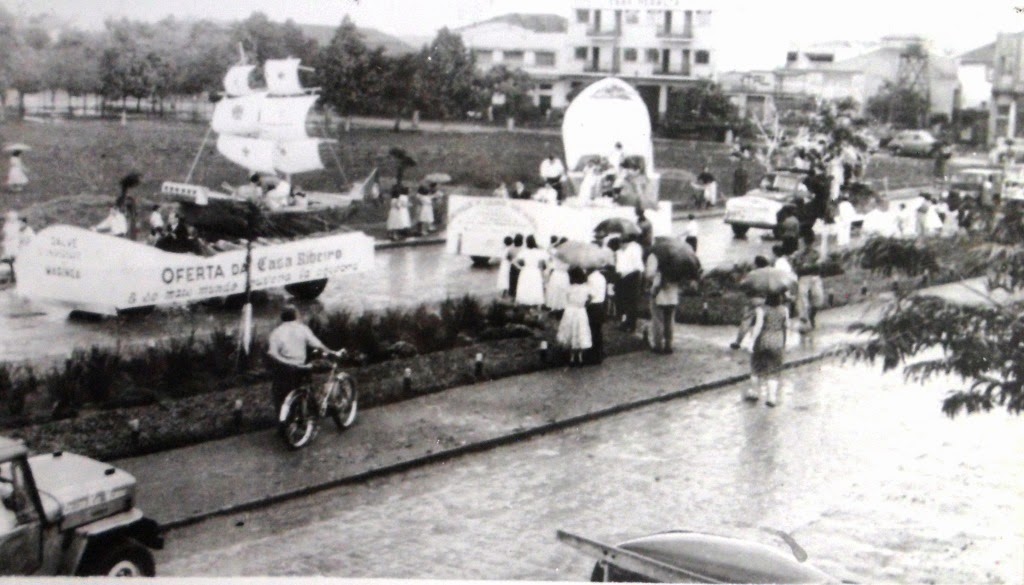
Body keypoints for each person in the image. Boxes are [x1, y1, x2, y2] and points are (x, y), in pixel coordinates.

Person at [267, 306, 338, 413]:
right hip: (300, 367)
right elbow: (317, 344)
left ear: (282, 318)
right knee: (306, 388)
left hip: (283, 369)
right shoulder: (302, 328)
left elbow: (272, 353)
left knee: (280, 397)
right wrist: (331, 352)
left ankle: (283, 423)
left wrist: (284, 362)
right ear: (296, 316)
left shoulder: (276, 332)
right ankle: (313, 410)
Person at [746, 291, 789, 406]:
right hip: (777, 341)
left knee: (756, 367)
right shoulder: (784, 310)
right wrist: (784, 342)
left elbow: (758, 326)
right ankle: (771, 397)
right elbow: (786, 327)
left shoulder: (761, 310)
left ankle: (754, 392)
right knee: (773, 370)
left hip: (762, 340)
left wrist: (752, 341)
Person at [644, 252, 681, 354]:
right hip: (673, 294)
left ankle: (658, 345)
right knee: (670, 320)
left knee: (657, 320)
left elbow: (650, 274)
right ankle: (668, 345)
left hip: (659, 293)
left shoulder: (655, 255)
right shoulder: (677, 258)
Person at [556, 266, 593, 366]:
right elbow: (590, 298)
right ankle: (580, 357)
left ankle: (572, 358)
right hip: (580, 311)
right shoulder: (586, 288)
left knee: (571, 331)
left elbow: (566, 299)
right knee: (580, 331)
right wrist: (585, 304)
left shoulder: (569, 288)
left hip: (570, 311)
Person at [613, 233, 644, 333]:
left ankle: (632, 325)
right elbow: (618, 265)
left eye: (623, 242)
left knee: (632, 301)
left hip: (633, 276)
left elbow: (637, 265)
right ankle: (624, 322)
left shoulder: (635, 248)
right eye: (620, 242)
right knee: (621, 301)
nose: (622, 244)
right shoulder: (618, 252)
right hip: (621, 277)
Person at [584, 266, 608, 365]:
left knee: (592, 331)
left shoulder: (591, 279)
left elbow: (590, 295)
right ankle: (599, 352)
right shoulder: (602, 277)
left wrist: (584, 304)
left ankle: (594, 356)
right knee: (597, 331)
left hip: (593, 307)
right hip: (600, 306)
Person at [514, 235, 547, 308]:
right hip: (535, 271)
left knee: (524, 286)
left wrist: (520, 267)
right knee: (535, 287)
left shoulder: (524, 251)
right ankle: (537, 305)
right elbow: (542, 263)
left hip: (526, 270)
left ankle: (522, 303)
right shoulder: (539, 252)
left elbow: (514, 261)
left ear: (526, 242)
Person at [545, 237, 570, 316]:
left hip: (557, 274)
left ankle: (554, 308)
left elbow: (548, 249)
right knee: (562, 292)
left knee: (554, 291)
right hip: (564, 275)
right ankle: (561, 308)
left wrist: (555, 243)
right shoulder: (570, 255)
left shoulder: (557, 253)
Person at [508, 234, 524, 302]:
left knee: (512, 282)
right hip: (521, 267)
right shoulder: (523, 249)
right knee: (520, 282)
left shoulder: (511, 248)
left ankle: (512, 297)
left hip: (513, 267)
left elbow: (508, 258)